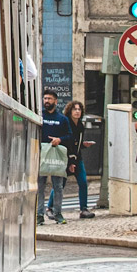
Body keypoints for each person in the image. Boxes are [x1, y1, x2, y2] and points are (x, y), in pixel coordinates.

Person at [38, 91, 69, 225]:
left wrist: (59, 139)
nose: (47, 101)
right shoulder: (39, 116)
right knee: (40, 185)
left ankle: (58, 213)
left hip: (56, 155)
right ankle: (39, 214)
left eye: (49, 98)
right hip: (41, 154)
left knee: (58, 185)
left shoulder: (62, 119)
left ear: (56, 101)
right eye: (45, 98)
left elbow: (69, 136)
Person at [63, 99, 94, 220]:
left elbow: (77, 143)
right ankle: (50, 207)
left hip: (77, 157)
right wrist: (71, 161)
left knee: (83, 182)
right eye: (74, 109)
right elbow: (68, 143)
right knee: (61, 183)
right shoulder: (66, 123)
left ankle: (84, 208)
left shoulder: (80, 125)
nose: (77, 111)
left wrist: (83, 145)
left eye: (79, 109)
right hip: (66, 157)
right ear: (70, 111)